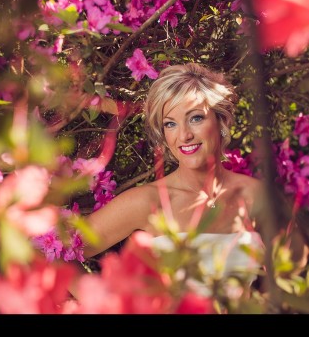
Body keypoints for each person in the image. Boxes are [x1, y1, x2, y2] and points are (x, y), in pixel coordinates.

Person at [81, 63, 270, 293]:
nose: (184, 135)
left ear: (220, 121)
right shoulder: (147, 202)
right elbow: (56, 250)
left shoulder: (255, 195)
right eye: (170, 123)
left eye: (196, 118)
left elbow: (289, 279)